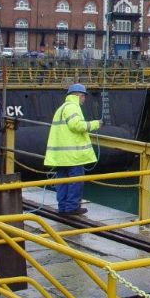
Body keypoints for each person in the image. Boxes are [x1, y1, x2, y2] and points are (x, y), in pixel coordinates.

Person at [44, 84, 101, 216]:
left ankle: (63, 207)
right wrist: (95, 124)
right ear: (79, 95)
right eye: (83, 97)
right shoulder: (72, 107)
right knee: (75, 181)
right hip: (72, 155)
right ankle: (71, 207)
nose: (84, 100)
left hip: (61, 156)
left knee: (62, 181)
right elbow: (76, 126)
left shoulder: (62, 107)